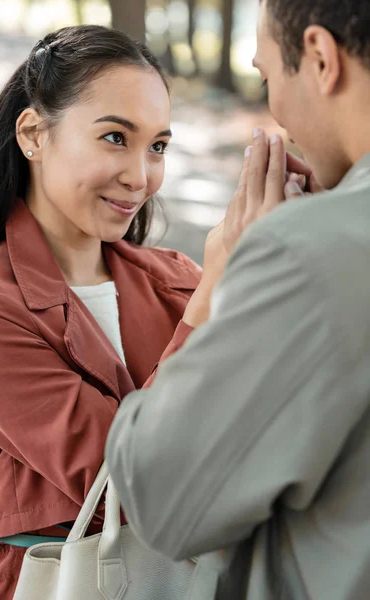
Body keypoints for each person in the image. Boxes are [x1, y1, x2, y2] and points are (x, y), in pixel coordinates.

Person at [0, 24, 278, 599]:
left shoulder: (178, 278)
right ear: (34, 133)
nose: (142, 177)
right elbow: (133, 484)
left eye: (158, 146)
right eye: (116, 137)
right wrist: (213, 298)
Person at [106, 1, 370, 598]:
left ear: (322, 60)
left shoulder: (306, 252)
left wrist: (246, 271)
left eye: (267, 75)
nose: (138, 177)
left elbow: (159, 493)